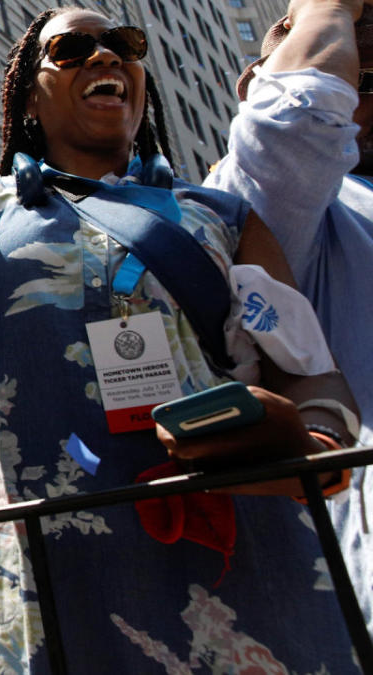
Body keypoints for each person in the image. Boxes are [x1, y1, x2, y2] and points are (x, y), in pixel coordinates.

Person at [0, 3, 361, 672]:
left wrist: (313, 445)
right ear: (29, 97)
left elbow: (311, 371)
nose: (102, 57)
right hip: (46, 575)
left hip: (242, 560)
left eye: (120, 44)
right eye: (71, 51)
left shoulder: (223, 216)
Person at [203, 0, 373, 632]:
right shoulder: (263, 204)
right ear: (252, 86)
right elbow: (297, 120)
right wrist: (330, 6)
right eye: (354, 71)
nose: (352, 85)